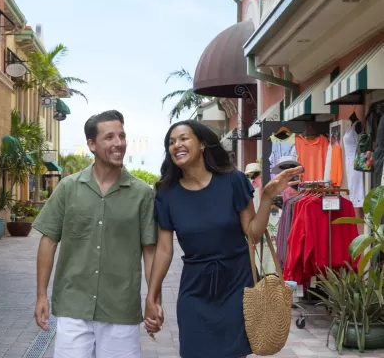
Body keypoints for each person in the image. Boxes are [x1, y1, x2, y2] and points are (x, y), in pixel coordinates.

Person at [143, 120, 303, 358]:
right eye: (171, 142)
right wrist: (151, 296)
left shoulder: (233, 181)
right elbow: (164, 250)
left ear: (203, 144)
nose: (177, 145)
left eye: (184, 138)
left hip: (236, 285)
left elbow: (253, 234)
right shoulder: (167, 194)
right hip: (194, 289)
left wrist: (267, 195)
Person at [32, 110, 158, 358]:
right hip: (72, 306)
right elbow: (48, 241)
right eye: (109, 137)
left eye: (122, 136)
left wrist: (153, 299)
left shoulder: (142, 194)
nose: (118, 143)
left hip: (120, 308)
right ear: (91, 144)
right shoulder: (68, 188)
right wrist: (40, 296)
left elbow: (150, 251)